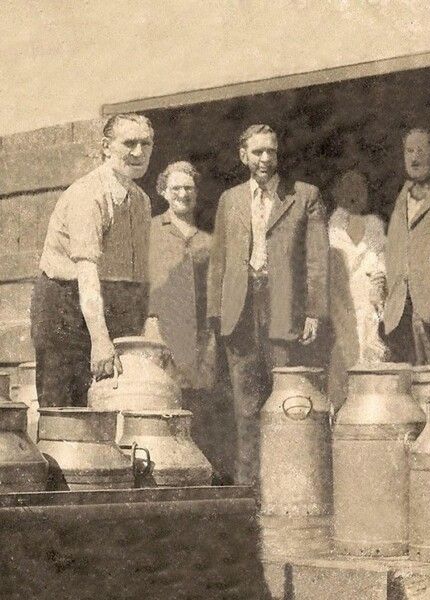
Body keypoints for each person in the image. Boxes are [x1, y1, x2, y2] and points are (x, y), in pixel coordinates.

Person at [207, 123, 329, 486]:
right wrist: (216, 314)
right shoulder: (230, 199)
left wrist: (314, 311)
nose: (265, 159)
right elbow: (219, 260)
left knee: (286, 402)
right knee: (245, 408)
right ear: (243, 156)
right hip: (240, 312)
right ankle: (248, 490)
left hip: (283, 311)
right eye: (257, 152)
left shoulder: (304, 196)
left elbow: (317, 259)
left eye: (271, 152)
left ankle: (287, 489)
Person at [30, 113, 154, 407]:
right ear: (106, 147)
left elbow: (139, 276)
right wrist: (100, 341)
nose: (138, 152)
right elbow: (87, 273)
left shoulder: (142, 200)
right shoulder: (89, 195)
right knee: (66, 411)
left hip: (111, 304)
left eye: (146, 144)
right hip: (67, 306)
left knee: (116, 403)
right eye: (129, 143)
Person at [371, 127, 430, 365]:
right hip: (398, 315)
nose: (414, 158)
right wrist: (380, 283)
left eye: (421, 151)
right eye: (409, 151)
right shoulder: (400, 198)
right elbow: (392, 250)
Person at [148, 161, 215, 390]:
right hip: (160, 331)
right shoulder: (150, 230)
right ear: (163, 192)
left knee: (198, 396)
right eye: (176, 188)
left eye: (188, 188)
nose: (183, 194)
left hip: (200, 336)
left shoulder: (208, 241)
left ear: (196, 193)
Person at [328, 169, 387, 411]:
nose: (354, 194)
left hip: (371, 309)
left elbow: (382, 262)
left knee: (372, 362)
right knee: (342, 364)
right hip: (341, 309)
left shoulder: (375, 226)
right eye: (348, 188)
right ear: (338, 193)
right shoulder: (331, 230)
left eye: (360, 188)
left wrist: (380, 281)